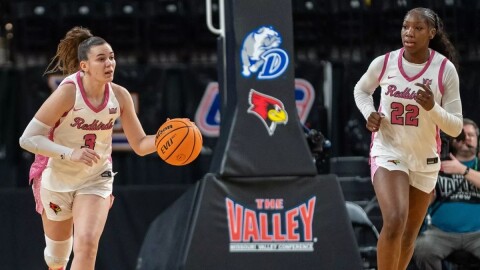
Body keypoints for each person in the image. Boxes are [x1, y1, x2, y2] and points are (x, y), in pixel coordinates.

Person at [19, 27, 157, 270]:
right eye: (101, 58)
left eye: (112, 57)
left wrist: (165, 140)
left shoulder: (120, 96)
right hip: (57, 175)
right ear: (84, 66)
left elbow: (140, 144)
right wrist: (70, 153)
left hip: (95, 177)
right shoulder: (68, 92)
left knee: (86, 244)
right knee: (56, 258)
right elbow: (28, 139)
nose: (110, 63)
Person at [353, 7, 463, 270]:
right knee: (394, 220)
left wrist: (432, 108)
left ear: (432, 33)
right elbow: (361, 90)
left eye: (417, 28)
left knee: (408, 235)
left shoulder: (444, 70)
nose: (409, 33)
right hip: (388, 149)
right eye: (405, 26)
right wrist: (369, 113)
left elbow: (457, 127)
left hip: (424, 159)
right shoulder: (385, 62)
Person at [414, 118, 480, 270]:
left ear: (478, 140)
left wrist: (463, 170)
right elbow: (423, 199)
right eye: (462, 135)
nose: (467, 138)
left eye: (471, 135)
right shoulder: (438, 164)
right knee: (423, 249)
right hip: (440, 233)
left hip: (477, 233)